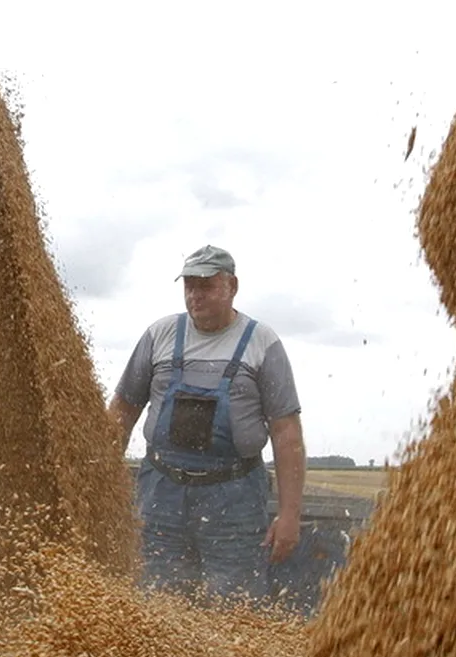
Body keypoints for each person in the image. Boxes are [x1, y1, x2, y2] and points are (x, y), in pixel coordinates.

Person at [107, 245, 306, 605]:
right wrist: (101, 485)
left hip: (233, 497)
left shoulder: (262, 343)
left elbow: (286, 433)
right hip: (160, 494)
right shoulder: (160, 335)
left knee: (234, 605)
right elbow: (123, 411)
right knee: (157, 599)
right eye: (189, 286)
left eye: (206, 286)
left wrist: (290, 514)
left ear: (232, 286)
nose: (195, 295)